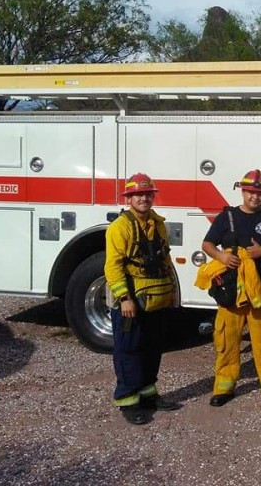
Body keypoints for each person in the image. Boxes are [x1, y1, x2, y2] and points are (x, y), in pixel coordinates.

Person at [202, 169, 261, 409]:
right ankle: (223, 387)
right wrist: (221, 257)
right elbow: (207, 244)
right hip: (231, 292)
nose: (255, 197)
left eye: (259, 192)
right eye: (251, 192)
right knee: (228, 340)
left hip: (260, 291)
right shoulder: (227, 216)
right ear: (243, 192)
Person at [105, 172, 182, 425]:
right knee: (129, 349)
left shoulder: (157, 223)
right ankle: (128, 399)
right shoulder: (120, 227)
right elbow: (113, 267)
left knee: (152, 347)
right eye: (138, 194)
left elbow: (164, 258)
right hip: (131, 300)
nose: (144, 198)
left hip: (155, 297)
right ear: (129, 198)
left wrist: (171, 290)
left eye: (147, 194)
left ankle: (148, 393)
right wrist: (124, 298)